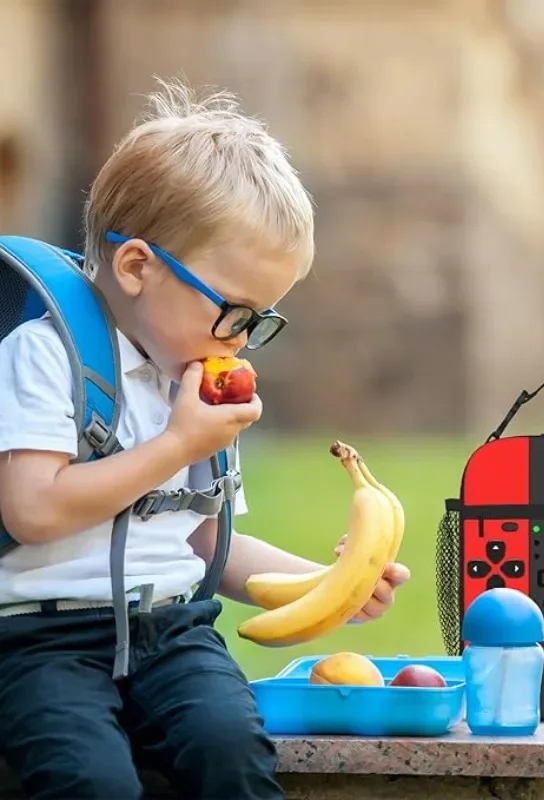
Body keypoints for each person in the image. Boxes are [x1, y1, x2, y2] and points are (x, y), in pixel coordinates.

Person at [0, 77, 411, 800]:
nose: (242, 341)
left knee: (233, 753)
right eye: (234, 312)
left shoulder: (194, 381)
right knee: (91, 782)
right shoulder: (45, 356)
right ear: (137, 269)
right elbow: (32, 510)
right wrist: (176, 447)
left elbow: (204, 544)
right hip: (42, 643)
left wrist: (330, 584)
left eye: (260, 320)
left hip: (173, 634)